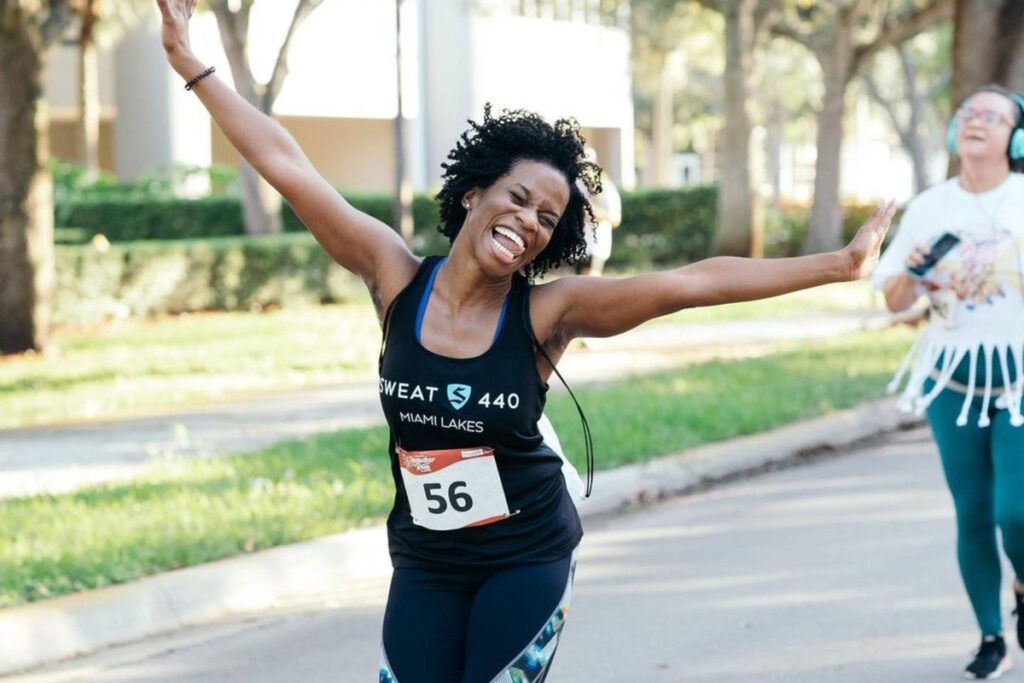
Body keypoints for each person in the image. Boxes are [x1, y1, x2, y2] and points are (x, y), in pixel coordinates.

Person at [155, 2, 895, 680]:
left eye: (548, 217)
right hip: (428, 556)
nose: (530, 220)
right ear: (475, 192)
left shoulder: (549, 314)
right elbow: (290, 166)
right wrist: (193, 67)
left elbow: (690, 282)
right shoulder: (393, 277)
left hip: (526, 553)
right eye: (519, 196)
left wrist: (838, 264)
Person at [873, 84, 1024, 680]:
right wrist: (913, 274)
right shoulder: (929, 208)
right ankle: (991, 634)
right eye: (969, 113)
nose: (977, 121)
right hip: (951, 379)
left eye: (994, 115)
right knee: (973, 510)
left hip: (1020, 380)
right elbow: (893, 300)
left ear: (1015, 136)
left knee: (1016, 511)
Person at [575, 149, 621, 277]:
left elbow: (615, 218)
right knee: (580, 284)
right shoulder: (575, 185)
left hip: (596, 244)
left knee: (590, 281)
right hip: (578, 244)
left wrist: (593, 213)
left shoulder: (606, 187)